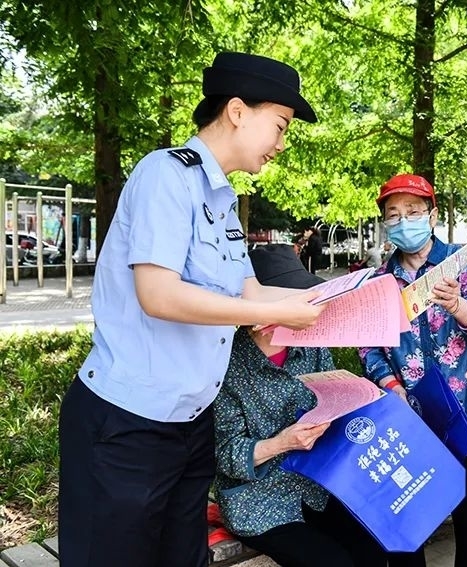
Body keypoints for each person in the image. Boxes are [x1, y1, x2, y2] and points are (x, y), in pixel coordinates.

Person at [58, 51, 328, 567]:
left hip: (189, 425)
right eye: (280, 125)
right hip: (128, 424)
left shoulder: (222, 199)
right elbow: (158, 295)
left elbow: (250, 294)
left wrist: (331, 299)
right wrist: (280, 314)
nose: (281, 143)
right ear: (237, 111)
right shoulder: (166, 174)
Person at [359, 173, 467, 567]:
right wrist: (389, 383)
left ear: (433, 216)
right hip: (412, 419)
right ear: (385, 224)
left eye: (413, 211)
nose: (404, 221)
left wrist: (459, 306)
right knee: (411, 519)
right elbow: (368, 343)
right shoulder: (379, 281)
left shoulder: (462, 261)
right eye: (394, 214)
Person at [213, 247, 386, 567]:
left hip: (314, 485)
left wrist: (361, 400)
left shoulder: (312, 346)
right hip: (256, 501)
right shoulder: (226, 365)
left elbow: (336, 397)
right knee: (333, 563)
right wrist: (284, 442)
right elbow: (226, 454)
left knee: (373, 546)